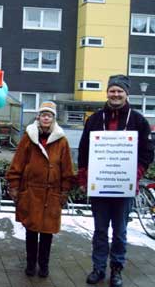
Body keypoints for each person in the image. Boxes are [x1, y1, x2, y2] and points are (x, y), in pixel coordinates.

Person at [77, 74, 154, 287]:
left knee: (120, 232)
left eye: (120, 91)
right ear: (107, 93)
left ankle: (117, 270)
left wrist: (135, 173)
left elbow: (147, 152)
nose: (116, 94)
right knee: (100, 231)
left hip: (124, 187)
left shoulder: (138, 121)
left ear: (126, 94)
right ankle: (98, 268)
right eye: (112, 90)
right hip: (100, 186)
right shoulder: (94, 120)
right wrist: (83, 177)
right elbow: (83, 151)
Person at [6, 101, 74, 278]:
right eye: (43, 114)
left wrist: (65, 191)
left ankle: (44, 265)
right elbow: (17, 163)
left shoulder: (62, 141)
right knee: (31, 230)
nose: (46, 117)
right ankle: (30, 264)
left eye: (49, 115)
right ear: (38, 117)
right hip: (31, 192)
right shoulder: (29, 138)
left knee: (47, 232)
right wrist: (14, 186)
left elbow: (67, 169)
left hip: (52, 194)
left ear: (53, 119)